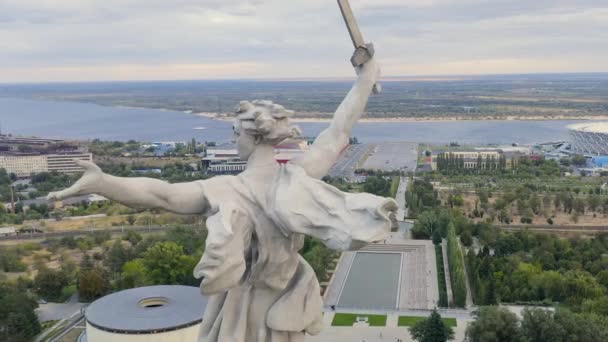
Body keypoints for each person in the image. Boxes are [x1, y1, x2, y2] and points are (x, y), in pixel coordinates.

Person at [48, 57, 396, 342]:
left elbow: (159, 194)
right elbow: (337, 132)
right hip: (286, 299)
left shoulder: (224, 188)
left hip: (242, 307)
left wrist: (105, 182)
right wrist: (364, 81)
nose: (234, 139)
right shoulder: (299, 175)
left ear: (250, 136)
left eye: (235, 132)